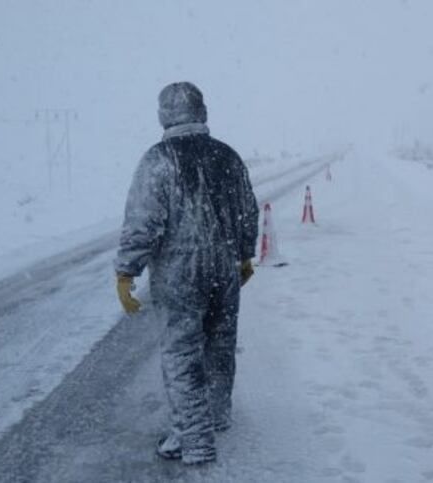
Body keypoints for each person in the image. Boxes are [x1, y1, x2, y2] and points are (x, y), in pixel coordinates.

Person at [114, 81, 259, 465]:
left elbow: (143, 221)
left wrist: (127, 271)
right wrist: (244, 255)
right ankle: (216, 414)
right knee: (219, 346)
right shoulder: (228, 156)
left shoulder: (157, 160)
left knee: (182, 353)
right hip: (224, 269)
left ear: (163, 114)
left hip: (179, 272)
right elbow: (247, 210)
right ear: (202, 111)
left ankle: (193, 439)